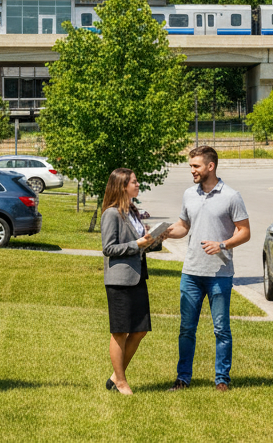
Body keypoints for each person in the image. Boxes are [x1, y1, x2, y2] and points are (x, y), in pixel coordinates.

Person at [163, 145, 250, 392]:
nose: (192, 170)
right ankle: (182, 379)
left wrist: (222, 244)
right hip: (191, 272)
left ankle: (222, 380)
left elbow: (245, 232)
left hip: (219, 274)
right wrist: (166, 233)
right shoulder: (189, 194)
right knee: (186, 329)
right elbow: (184, 226)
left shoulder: (232, 196)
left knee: (221, 329)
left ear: (210, 166)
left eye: (196, 166)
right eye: (191, 166)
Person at [100, 167, 165, 395]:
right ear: (122, 186)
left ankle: (115, 376)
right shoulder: (111, 213)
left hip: (137, 277)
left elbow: (141, 244)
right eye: (134, 182)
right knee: (120, 332)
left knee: (139, 330)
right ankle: (121, 382)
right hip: (119, 280)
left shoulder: (133, 212)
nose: (138, 185)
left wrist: (154, 239)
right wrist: (137, 244)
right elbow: (108, 248)